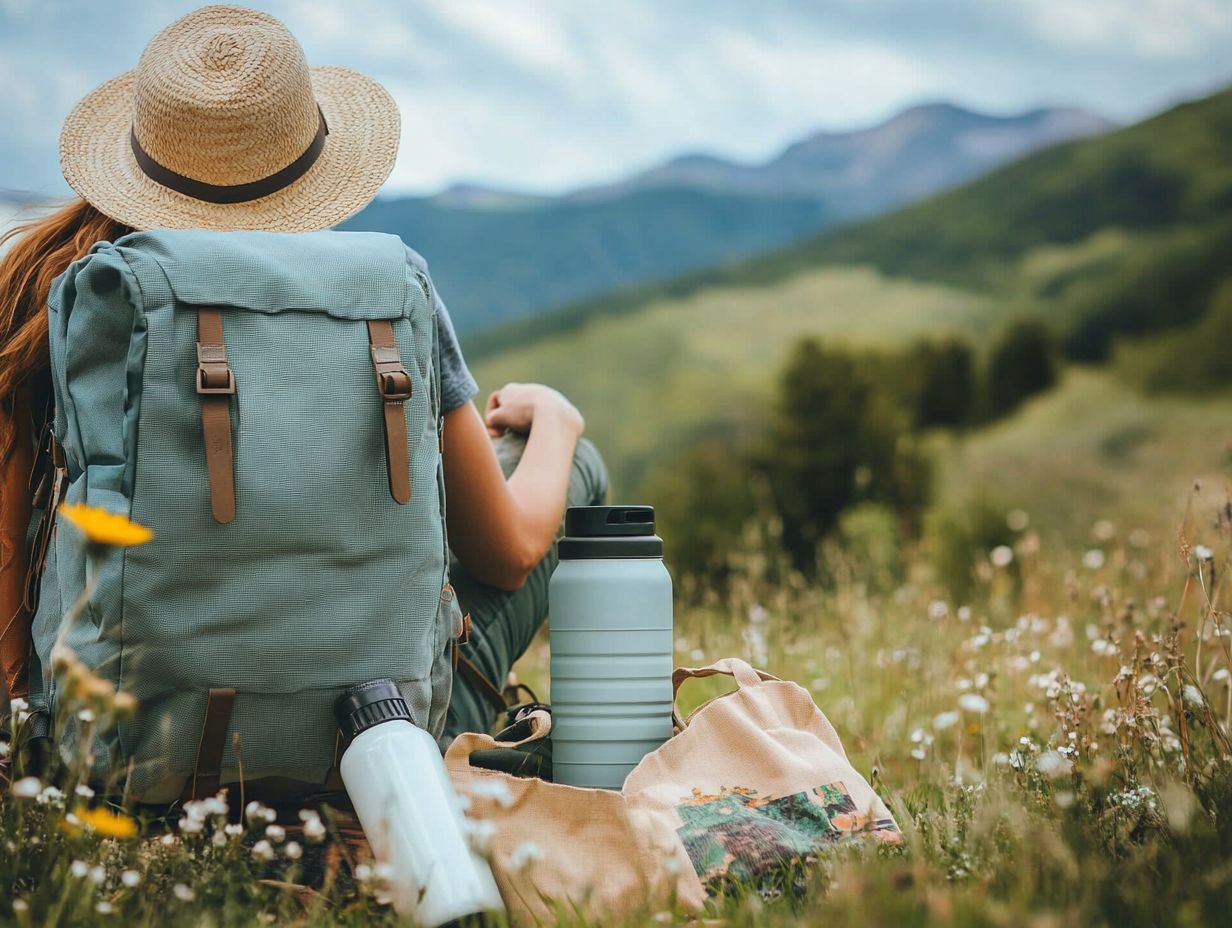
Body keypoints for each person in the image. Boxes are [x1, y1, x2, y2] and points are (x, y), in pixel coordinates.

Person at [0, 5, 606, 747]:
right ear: (313, 162)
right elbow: (506, 555)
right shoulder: (386, 295)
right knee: (571, 464)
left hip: (109, 736)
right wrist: (559, 420)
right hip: (375, 735)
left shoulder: (39, 293)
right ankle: (597, 741)